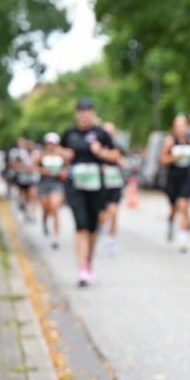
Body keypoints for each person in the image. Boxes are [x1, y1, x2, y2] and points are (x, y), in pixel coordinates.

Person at [61, 98, 119, 286]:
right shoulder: (69, 134)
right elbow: (59, 153)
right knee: (81, 227)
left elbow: (116, 156)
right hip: (75, 186)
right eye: (81, 111)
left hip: (96, 187)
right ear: (76, 114)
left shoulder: (100, 133)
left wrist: (101, 152)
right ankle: (82, 270)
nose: (85, 115)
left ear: (92, 113)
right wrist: (64, 155)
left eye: (88, 111)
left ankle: (88, 261)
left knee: (93, 229)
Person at [159, 114, 190, 253]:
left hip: (186, 177)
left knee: (184, 206)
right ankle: (170, 223)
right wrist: (174, 157)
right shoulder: (170, 141)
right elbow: (162, 160)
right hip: (173, 178)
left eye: (183, 126)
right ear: (174, 127)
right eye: (178, 126)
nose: (181, 129)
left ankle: (183, 240)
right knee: (174, 209)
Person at [36, 132, 68, 249]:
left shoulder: (61, 155)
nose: (51, 146)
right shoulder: (41, 154)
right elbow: (32, 166)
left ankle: (56, 237)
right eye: (49, 143)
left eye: (53, 143)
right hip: (44, 183)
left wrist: (63, 172)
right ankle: (44, 222)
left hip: (57, 183)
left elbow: (67, 167)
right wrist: (42, 170)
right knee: (46, 208)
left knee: (54, 207)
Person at [99, 122, 126, 256]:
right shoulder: (96, 147)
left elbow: (122, 161)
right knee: (102, 216)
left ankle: (111, 241)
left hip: (115, 184)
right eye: (106, 132)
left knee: (114, 212)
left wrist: (120, 163)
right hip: (101, 186)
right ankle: (101, 229)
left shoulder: (118, 147)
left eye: (111, 132)